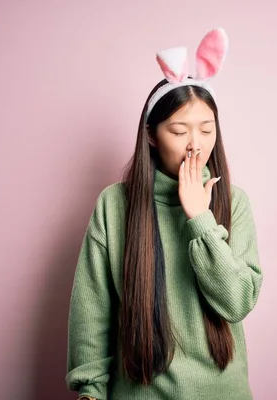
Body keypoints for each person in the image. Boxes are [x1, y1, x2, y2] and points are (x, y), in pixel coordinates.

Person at [65, 27, 263, 400]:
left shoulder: (234, 203)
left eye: (207, 130)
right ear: (152, 135)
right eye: (179, 130)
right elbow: (91, 313)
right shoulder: (114, 205)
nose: (196, 145)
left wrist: (200, 219)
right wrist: (90, 392)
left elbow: (238, 301)